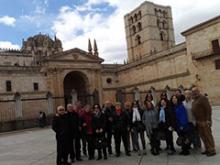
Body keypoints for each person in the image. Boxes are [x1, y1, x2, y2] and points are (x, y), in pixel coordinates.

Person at [191, 87, 216, 156]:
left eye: (195, 91)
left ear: (198, 91)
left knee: (208, 135)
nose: (194, 92)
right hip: (198, 121)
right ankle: (207, 148)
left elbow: (208, 109)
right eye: (193, 92)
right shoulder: (194, 100)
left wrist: (208, 120)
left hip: (204, 121)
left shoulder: (203, 98)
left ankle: (212, 150)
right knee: (203, 136)